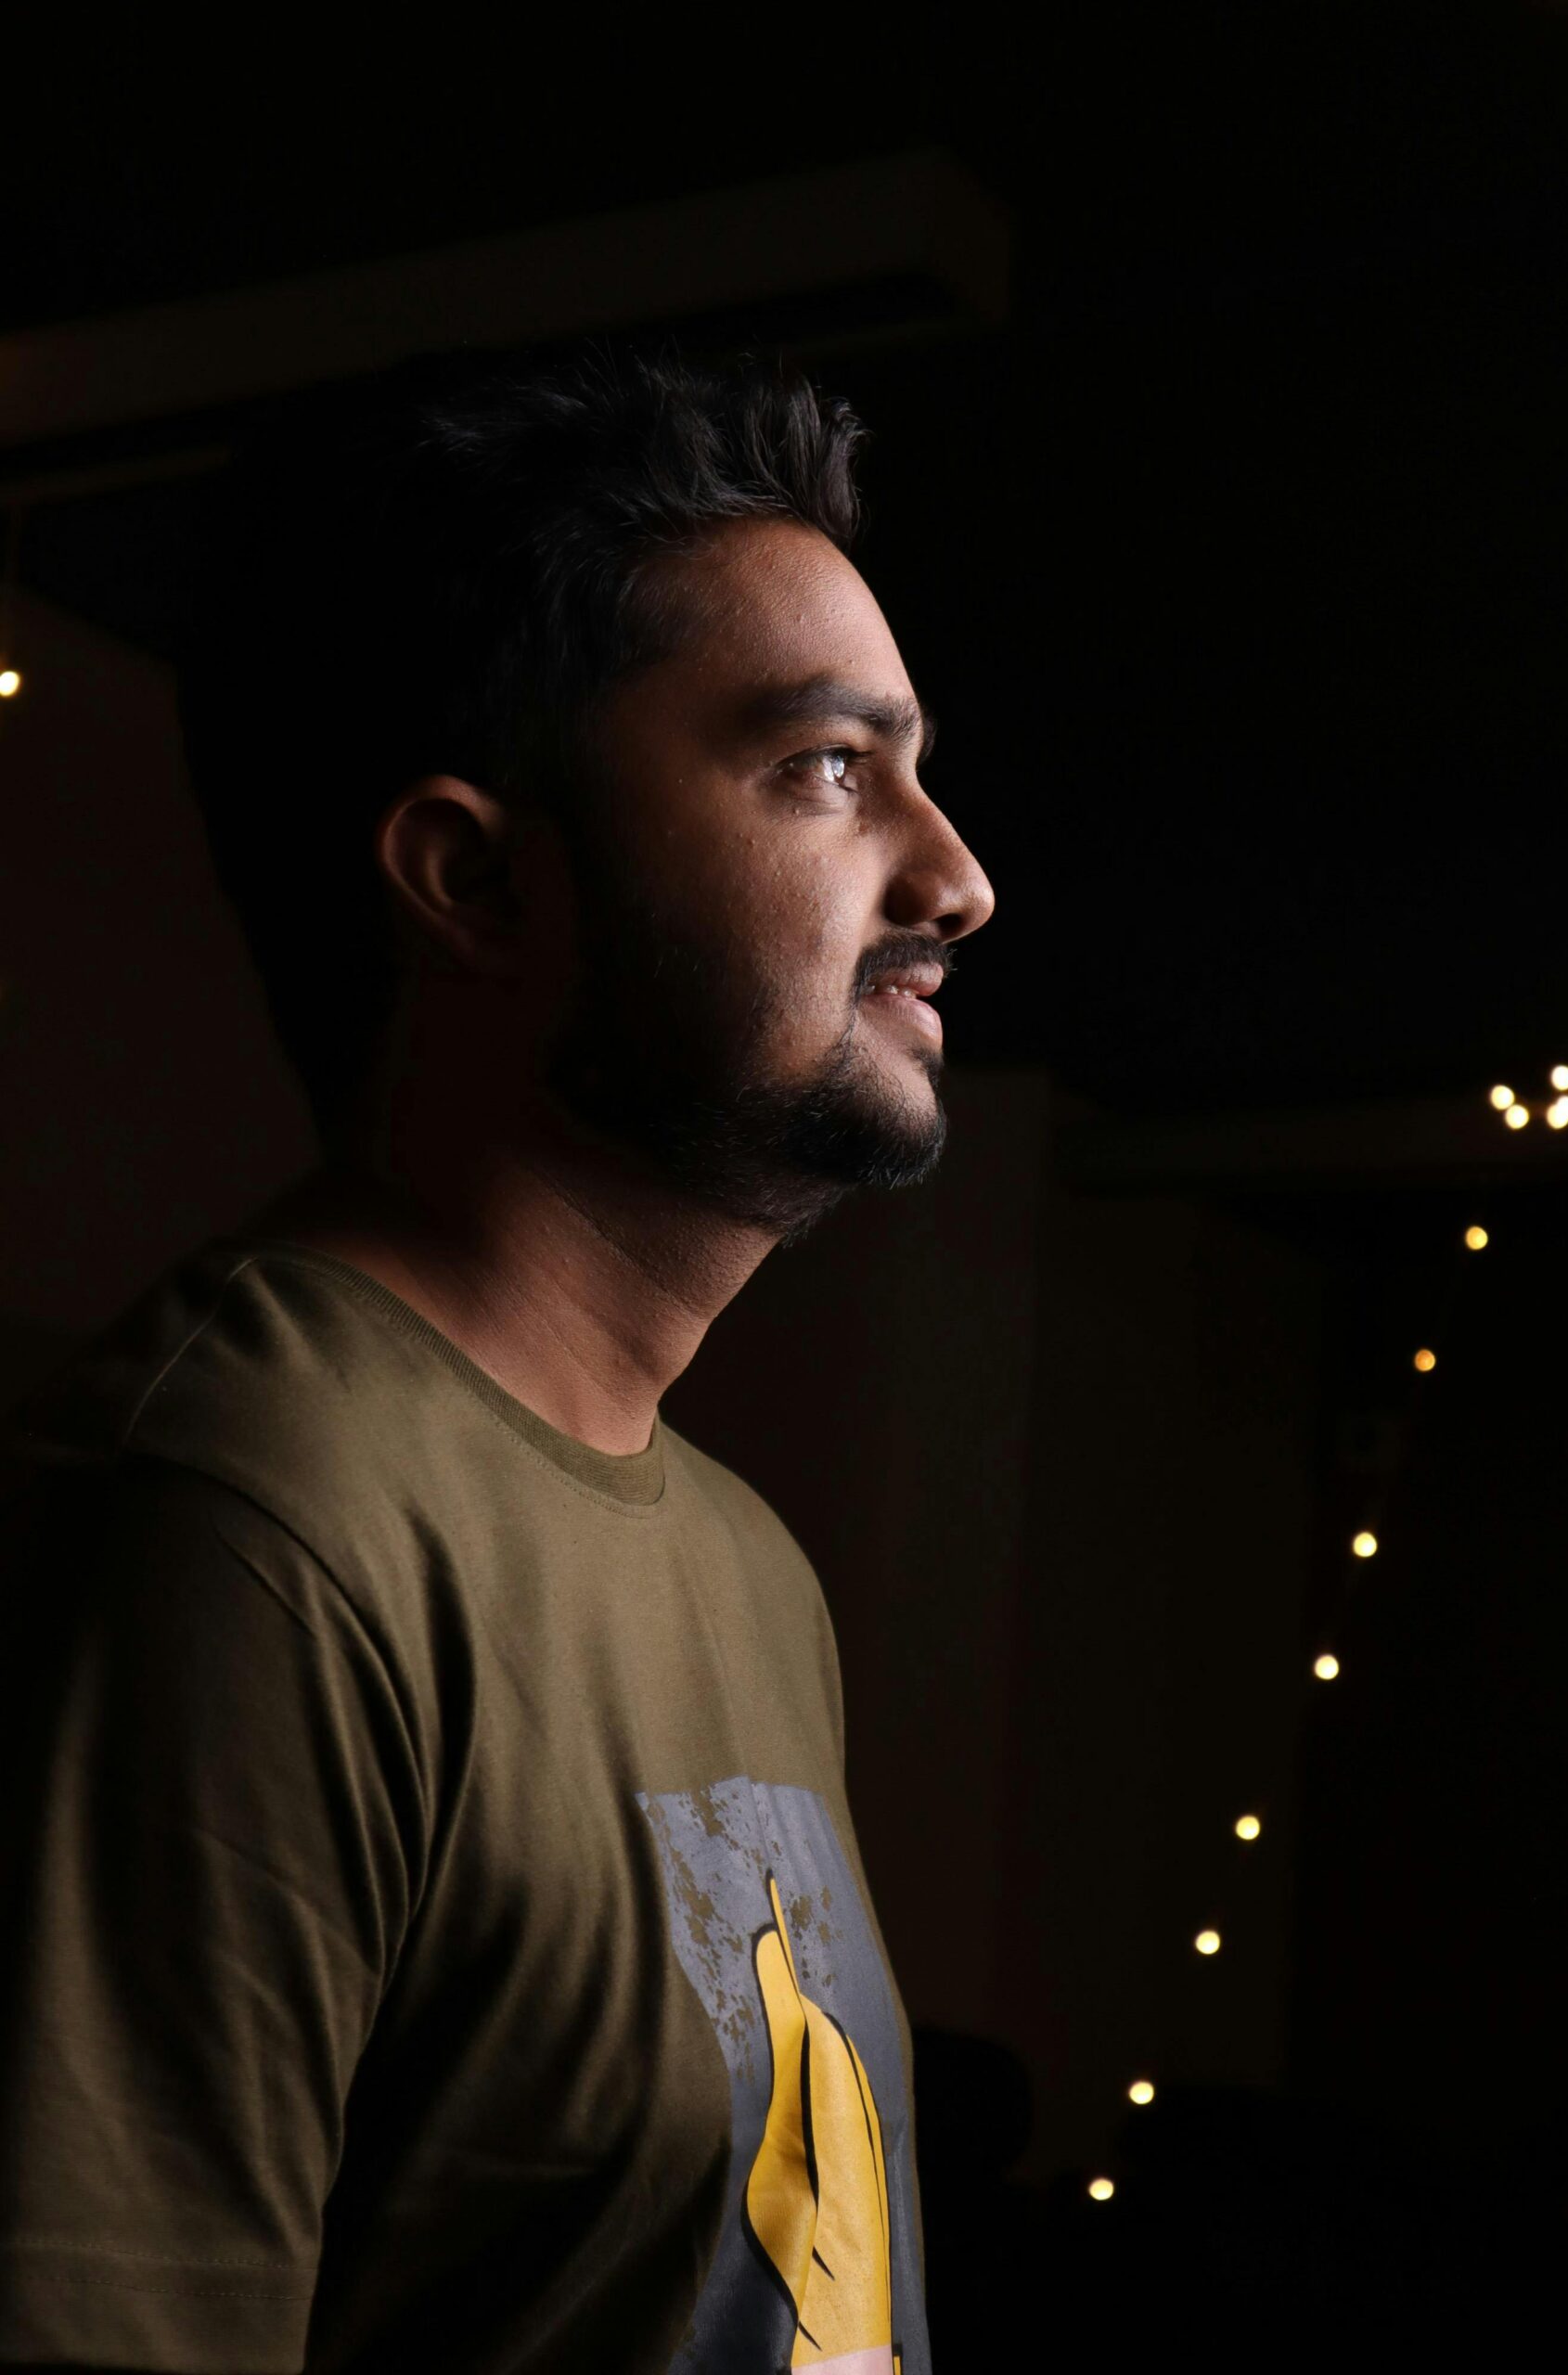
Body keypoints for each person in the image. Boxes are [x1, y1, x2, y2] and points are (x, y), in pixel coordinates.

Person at [0, 340, 995, 2375]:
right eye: (824, 765)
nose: (951, 875)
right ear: (475, 876)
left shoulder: (747, 1566)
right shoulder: (243, 1518)